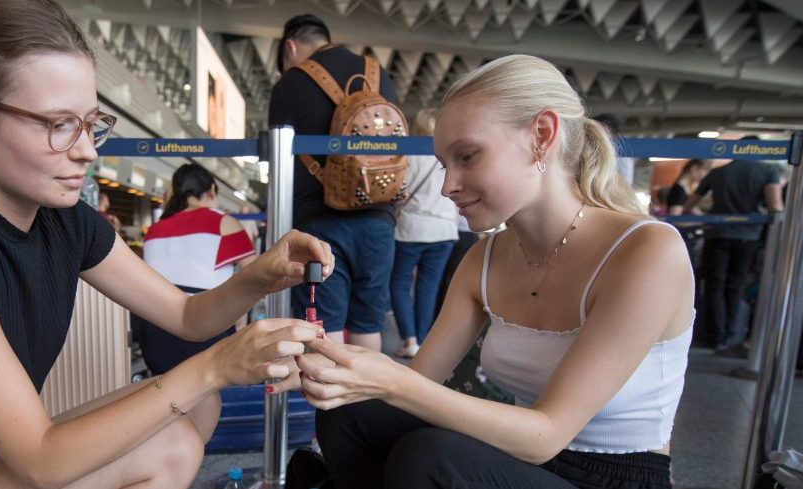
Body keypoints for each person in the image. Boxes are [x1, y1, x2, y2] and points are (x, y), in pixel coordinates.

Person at [0, 1, 332, 488]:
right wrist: (215, 365)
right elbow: (40, 457)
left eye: (90, 124)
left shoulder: (65, 220)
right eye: (59, 125)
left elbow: (188, 315)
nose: (86, 152)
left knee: (198, 406)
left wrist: (262, 273)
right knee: (170, 438)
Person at [297, 54, 695, 489]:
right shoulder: (483, 259)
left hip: (612, 475)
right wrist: (337, 371)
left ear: (542, 136)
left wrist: (389, 379)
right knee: (352, 415)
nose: (448, 185)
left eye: (467, 156)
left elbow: (547, 434)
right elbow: (416, 385)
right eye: (445, 165)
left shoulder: (647, 250)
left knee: (432, 458)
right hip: (520, 461)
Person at [269, 14, 399, 351]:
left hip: (319, 223)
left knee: (322, 324)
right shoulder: (377, 74)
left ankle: (331, 404)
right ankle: (365, 402)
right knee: (368, 322)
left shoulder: (290, 83)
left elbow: (277, 159)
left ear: (291, 47)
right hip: (378, 216)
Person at [136, 163, 257, 374]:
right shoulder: (223, 223)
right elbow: (256, 277)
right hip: (206, 336)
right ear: (211, 190)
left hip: (155, 338)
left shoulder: (154, 230)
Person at [682, 143, 783, 352]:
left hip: (718, 234)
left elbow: (689, 206)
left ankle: (714, 336)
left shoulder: (718, 173)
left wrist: (707, 219)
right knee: (735, 286)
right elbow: (776, 205)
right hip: (748, 236)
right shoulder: (768, 171)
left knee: (713, 286)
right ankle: (730, 334)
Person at [389, 108, 460, 358]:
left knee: (399, 283)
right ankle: (421, 342)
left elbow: (401, 191)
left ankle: (409, 340)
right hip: (443, 231)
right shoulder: (453, 156)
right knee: (428, 287)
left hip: (411, 229)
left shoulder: (410, 155)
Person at [594, 114, 635, 185]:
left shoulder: (622, 157)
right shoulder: (587, 153)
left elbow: (625, 185)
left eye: (605, 132)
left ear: (613, 134)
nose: (600, 136)